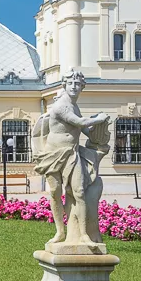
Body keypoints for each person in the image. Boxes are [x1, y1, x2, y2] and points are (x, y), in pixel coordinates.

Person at [32, 70, 111, 247]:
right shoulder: (61, 105)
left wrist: (98, 132)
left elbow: (83, 129)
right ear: (64, 86)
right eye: (70, 84)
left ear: (82, 87)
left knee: (79, 192)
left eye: (77, 84)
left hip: (72, 153)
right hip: (53, 154)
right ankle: (60, 231)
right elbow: (80, 122)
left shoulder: (74, 106)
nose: (74, 87)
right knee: (55, 192)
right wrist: (97, 119)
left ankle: (83, 234)